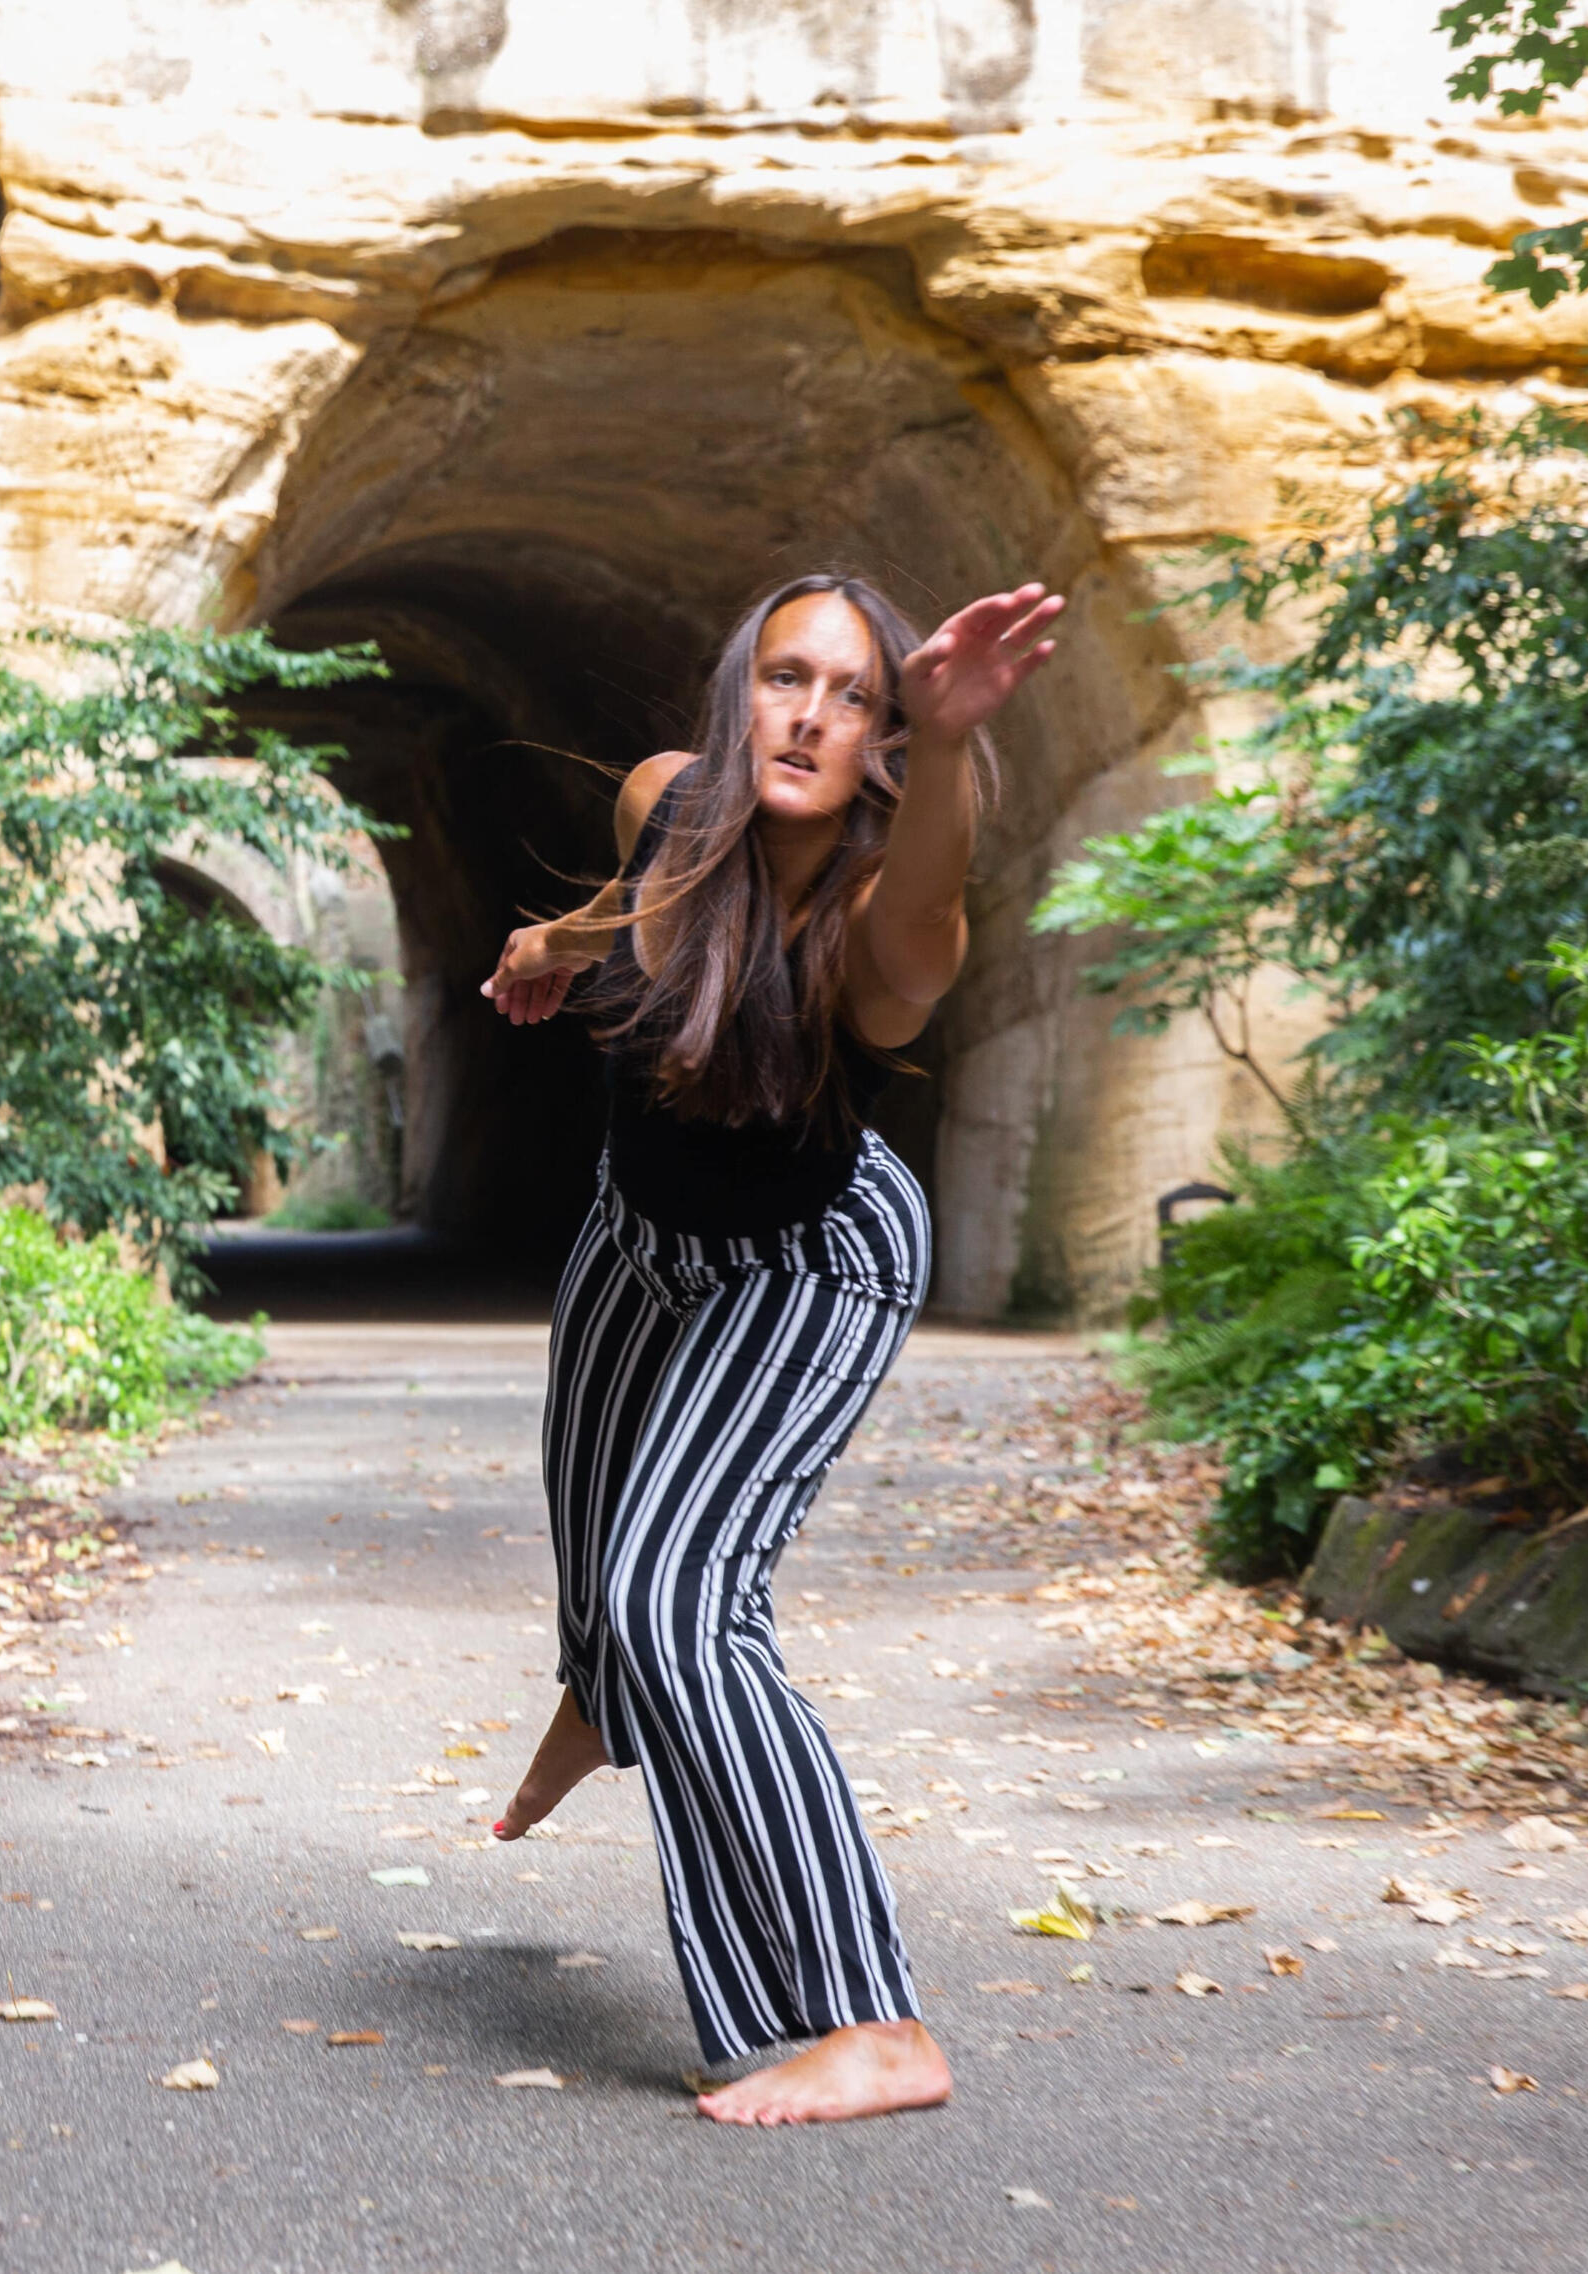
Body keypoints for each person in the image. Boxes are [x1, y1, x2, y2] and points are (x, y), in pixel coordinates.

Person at [478, 570, 1062, 2126]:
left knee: (678, 1598)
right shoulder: (663, 799)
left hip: (806, 1264)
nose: (810, 713)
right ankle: (605, 1689)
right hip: (637, 1236)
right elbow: (657, 901)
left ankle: (872, 2017)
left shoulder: (885, 922)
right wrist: (556, 939)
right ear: (738, 690)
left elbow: (931, 903)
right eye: (786, 676)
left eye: (855, 695)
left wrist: (947, 741)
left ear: (881, 738)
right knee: (597, 1552)